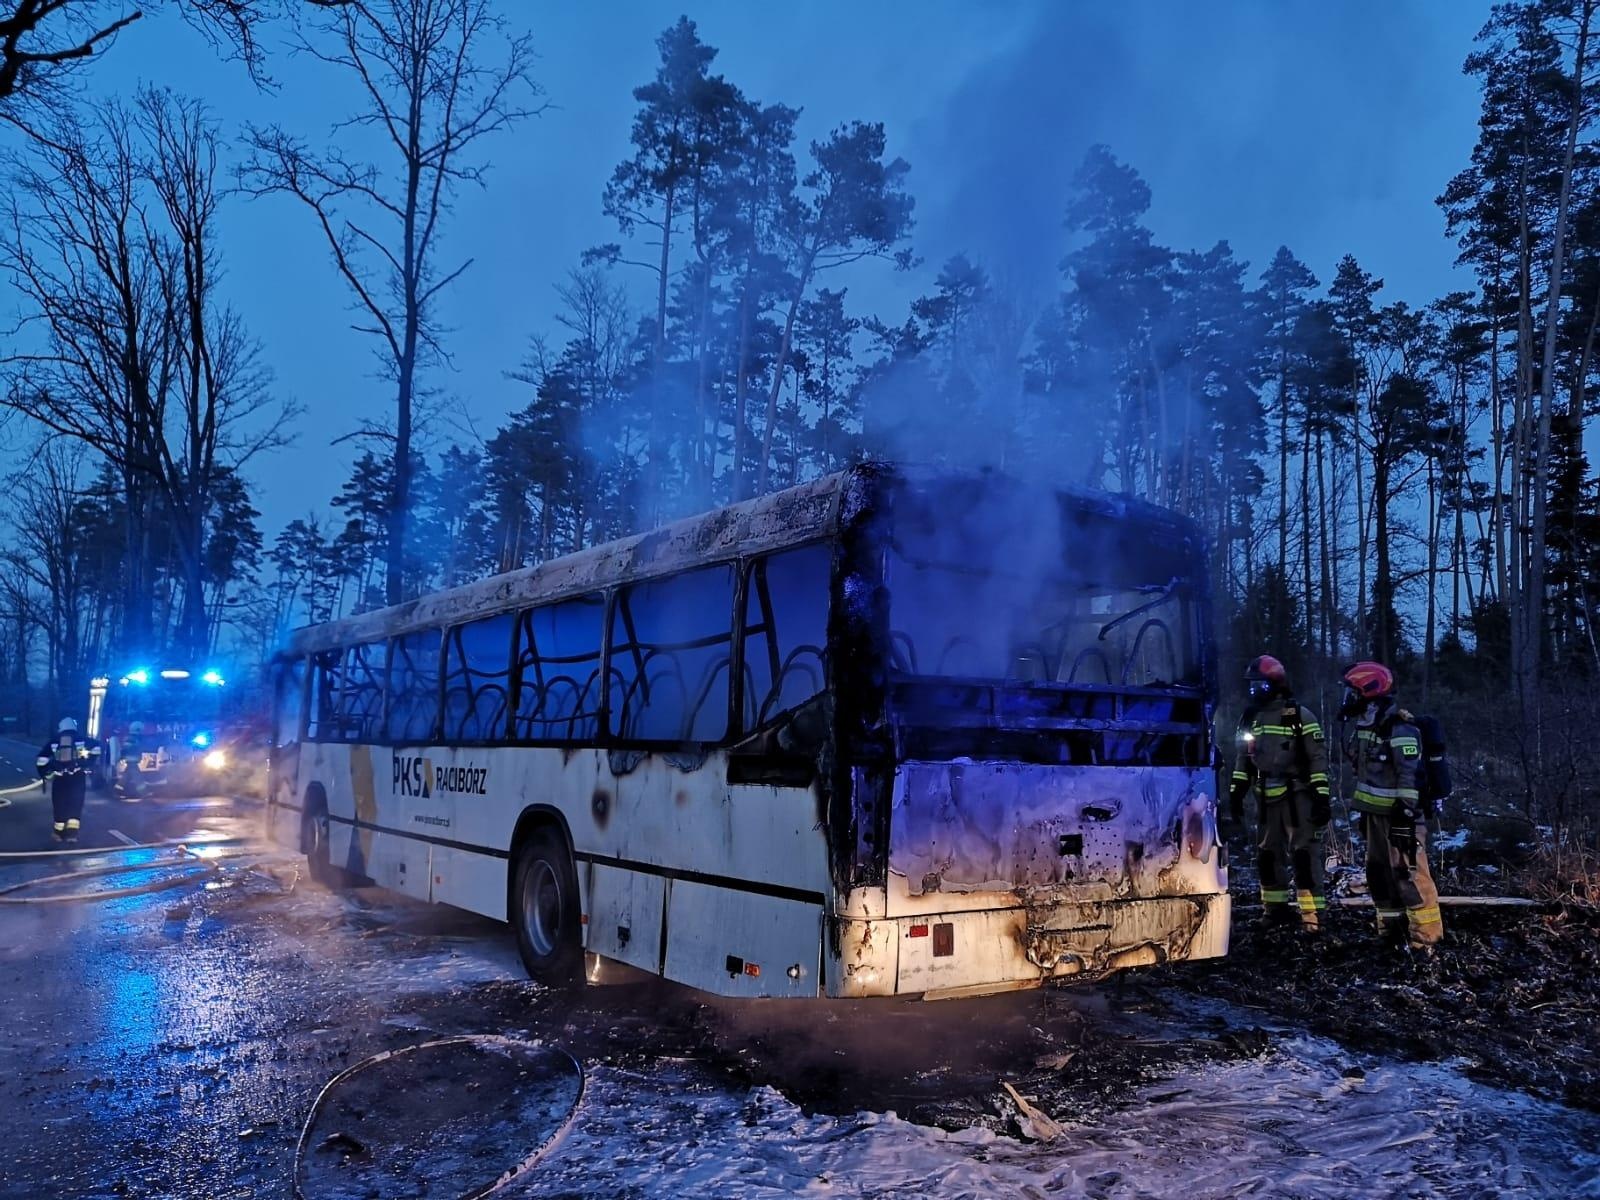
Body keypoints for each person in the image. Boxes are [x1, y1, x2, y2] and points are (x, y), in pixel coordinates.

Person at [1339, 661, 1444, 950]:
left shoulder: (1400, 729)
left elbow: (1409, 774)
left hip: (1401, 816)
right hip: (1375, 816)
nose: (1347, 698)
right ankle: (1390, 933)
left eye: (1352, 692)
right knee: (1379, 874)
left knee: (1409, 874)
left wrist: (1406, 811)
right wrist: (1366, 811)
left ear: (1369, 691)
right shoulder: (1365, 727)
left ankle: (1426, 939)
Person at [1225, 655, 1332, 933]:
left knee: (1303, 854)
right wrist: (1237, 792)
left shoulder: (1299, 717)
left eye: (1258, 685)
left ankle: (1313, 916)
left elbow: (1317, 759)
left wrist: (1321, 797)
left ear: (1274, 684)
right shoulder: (1251, 718)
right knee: (1268, 855)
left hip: (1298, 796)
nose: (1252, 691)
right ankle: (1275, 910)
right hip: (1265, 796)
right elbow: (1242, 758)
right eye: (1250, 686)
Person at [35, 717, 102, 844]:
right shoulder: (82, 740)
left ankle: (58, 834)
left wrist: (46, 771)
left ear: (61, 727)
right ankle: (72, 835)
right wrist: (87, 763)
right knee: (76, 804)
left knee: (59, 804)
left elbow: (41, 759)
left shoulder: (54, 741)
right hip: (78, 777)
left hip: (60, 778)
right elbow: (97, 747)